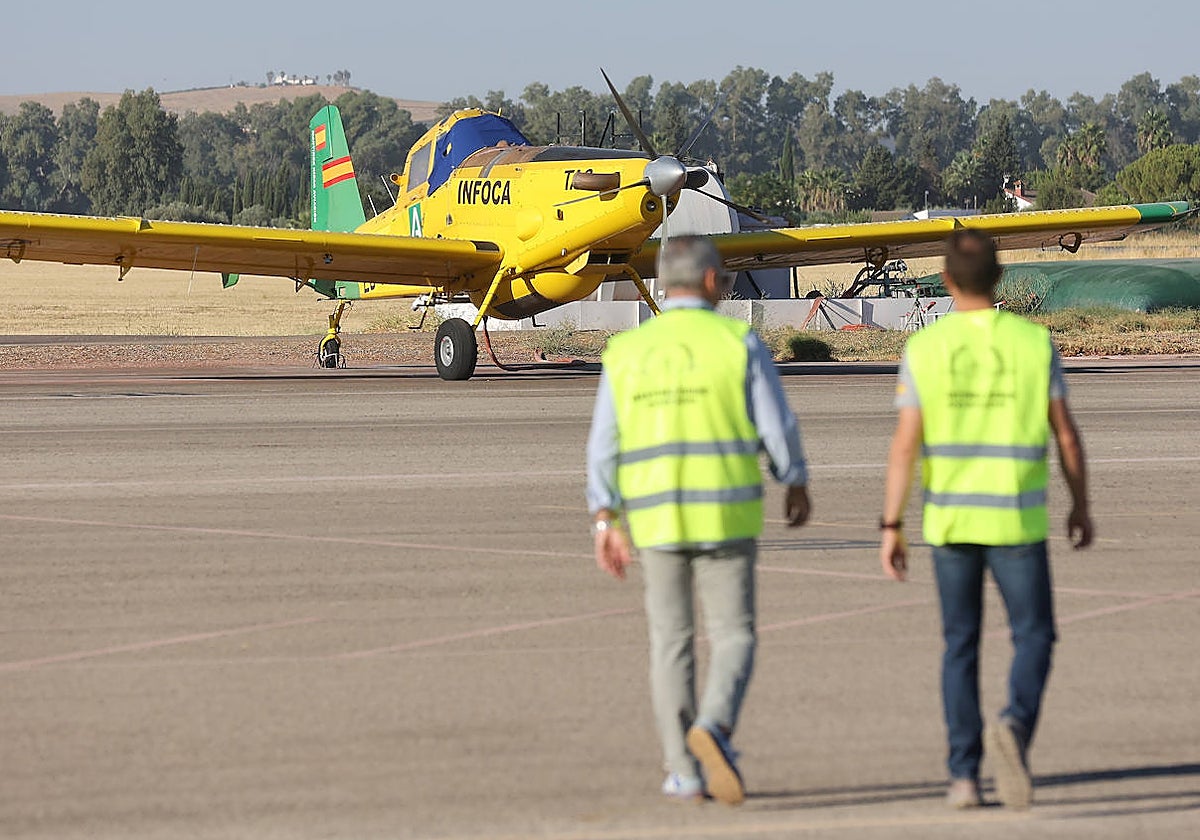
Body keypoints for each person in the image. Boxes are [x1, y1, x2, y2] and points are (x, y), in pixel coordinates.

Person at [586, 235, 811, 806]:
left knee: (670, 643)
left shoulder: (627, 351)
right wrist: (794, 479)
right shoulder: (739, 342)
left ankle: (683, 771)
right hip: (726, 514)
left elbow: (603, 446)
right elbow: (776, 427)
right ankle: (714, 724)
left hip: (655, 520)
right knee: (734, 636)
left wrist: (604, 517)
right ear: (712, 282)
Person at [879, 229, 1093, 810]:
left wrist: (891, 524)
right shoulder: (1033, 342)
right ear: (1000, 279)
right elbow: (1066, 436)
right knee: (1035, 636)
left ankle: (964, 776)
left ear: (945, 281)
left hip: (950, 524)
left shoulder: (925, 348)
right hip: (1016, 525)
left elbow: (905, 444)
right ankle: (1015, 726)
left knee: (960, 646)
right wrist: (1081, 504)